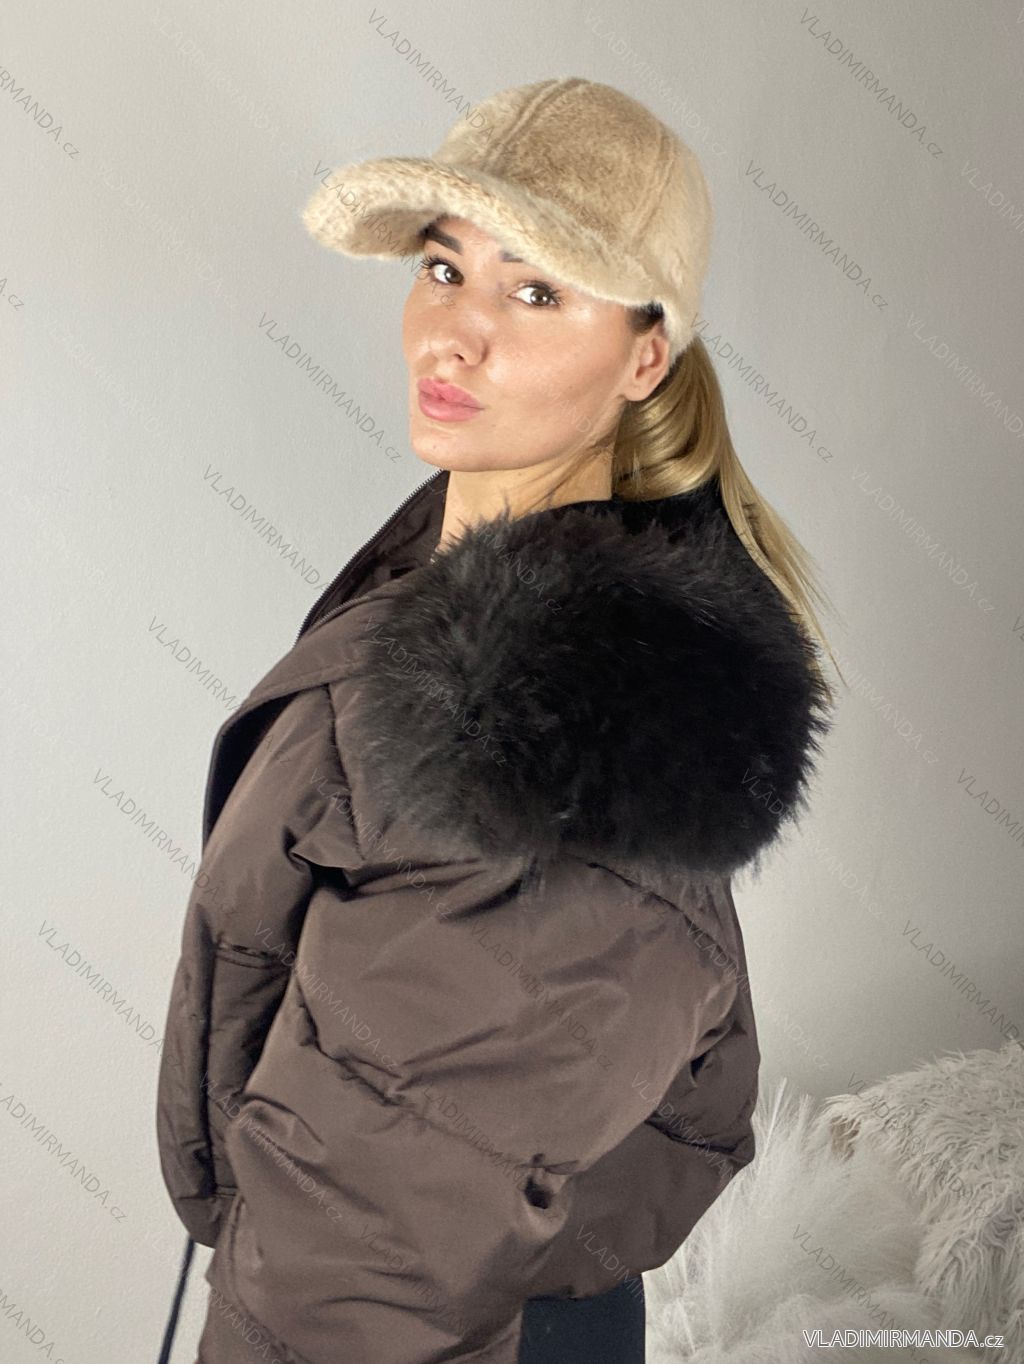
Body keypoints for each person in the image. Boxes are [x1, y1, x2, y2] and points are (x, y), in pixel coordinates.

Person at [156, 76, 837, 1363]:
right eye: (442, 266)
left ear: (645, 357)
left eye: (535, 292)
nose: (451, 336)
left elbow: (369, 1261)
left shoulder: (547, 740)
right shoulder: (456, 591)